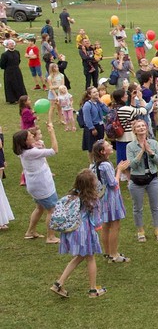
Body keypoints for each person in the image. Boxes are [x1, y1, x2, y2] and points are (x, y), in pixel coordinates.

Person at [49, 169, 107, 299]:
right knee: (90, 258)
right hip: (85, 232)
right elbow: (97, 222)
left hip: (72, 231)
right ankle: (93, 290)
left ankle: (59, 283)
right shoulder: (93, 200)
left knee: (79, 257)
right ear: (91, 185)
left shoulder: (70, 197)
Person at [14, 124, 60, 243]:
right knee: (52, 209)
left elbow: (36, 147)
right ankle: (50, 237)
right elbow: (55, 150)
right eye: (30, 136)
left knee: (39, 208)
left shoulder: (24, 151)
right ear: (25, 141)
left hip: (34, 185)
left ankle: (30, 232)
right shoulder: (31, 153)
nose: (32, 136)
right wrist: (52, 132)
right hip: (42, 185)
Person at [91, 140, 130, 263]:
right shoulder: (106, 165)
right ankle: (114, 254)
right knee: (115, 225)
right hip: (111, 198)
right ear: (103, 152)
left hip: (102, 198)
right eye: (108, 145)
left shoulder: (94, 164)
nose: (111, 146)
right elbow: (114, 183)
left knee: (106, 225)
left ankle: (108, 252)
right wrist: (119, 170)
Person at [126, 121, 158, 243]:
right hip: (137, 180)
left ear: (146, 128)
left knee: (155, 207)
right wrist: (142, 151)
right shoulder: (130, 146)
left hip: (152, 178)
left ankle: (157, 230)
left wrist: (150, 152)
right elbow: (132, 165)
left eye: (143, 126)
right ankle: (140, 231)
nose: (141, 128)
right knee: (138, 208)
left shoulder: (154, 143)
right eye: (138, 126)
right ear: (135, 130)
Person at [0, 39, 28, 104]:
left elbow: (18, 61)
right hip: (9, 71)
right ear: (7, 46)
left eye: (12, 44)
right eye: (10, 44)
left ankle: (21, 98)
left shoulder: (17, 52)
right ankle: (12, 99)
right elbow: (2, 65)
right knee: (11, 84)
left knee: (19, 83)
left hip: (17, 70)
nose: (12, 45)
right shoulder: (4, 54)